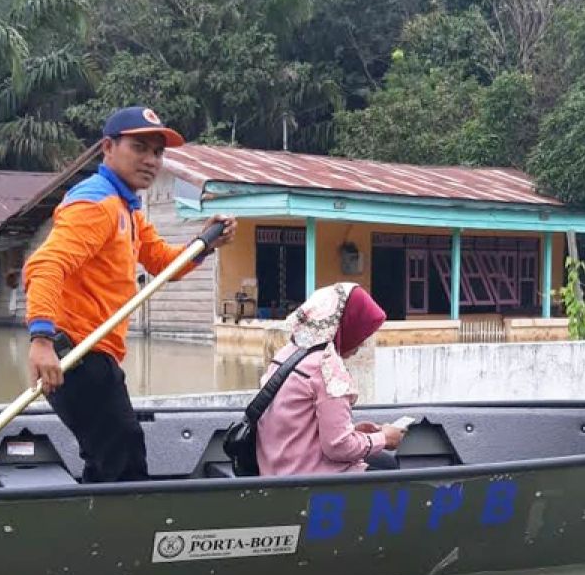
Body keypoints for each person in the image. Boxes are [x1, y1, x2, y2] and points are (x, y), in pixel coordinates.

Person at [24, 106, 236, 482]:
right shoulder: (96, 204)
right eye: (140, 148)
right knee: (122, 458)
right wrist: (41, 340)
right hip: (76, 353)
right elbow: (46, 265)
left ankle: (99, 534)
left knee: (112, 456)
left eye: (158, 152)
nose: (151, 161)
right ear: (108, 147)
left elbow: (163, 264)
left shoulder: (129, 210)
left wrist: (205, 243)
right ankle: (115, 537)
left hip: (97, 355)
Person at [256, 283, 404, 476]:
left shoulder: (288, 354)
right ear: (346, 325)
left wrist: (355, 432)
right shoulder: (327, 368)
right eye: (361, 332)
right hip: (309, 478)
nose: (361, 344)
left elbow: (298, 425)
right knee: (391, 470)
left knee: (383, 462)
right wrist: (384, 439)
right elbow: (339, 447)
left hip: (275, 469)